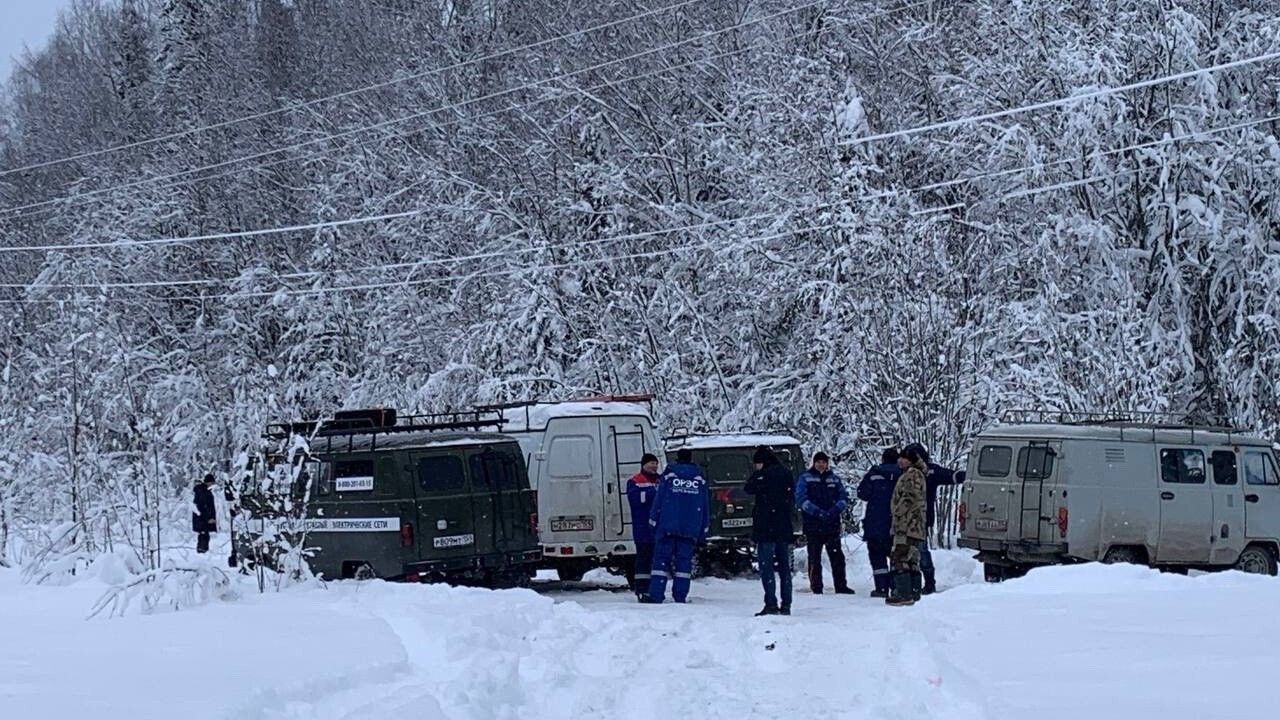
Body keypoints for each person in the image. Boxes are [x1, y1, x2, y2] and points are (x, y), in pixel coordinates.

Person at [644, 448, 709, 604]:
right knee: (684, 563)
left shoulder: (669, 476)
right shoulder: (700, 478)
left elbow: (659, 500)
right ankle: (680, 595)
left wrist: (653, 520)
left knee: (660, 561)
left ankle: (656, 594)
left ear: (677, 459)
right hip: (690, 527)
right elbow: (705, 504)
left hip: (667, 525)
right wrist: (703, 528)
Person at [903, 442, 964, 595]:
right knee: (913, 551)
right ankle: (916, 582)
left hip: (918, 518)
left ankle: (925, 582)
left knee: (918, 550)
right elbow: (951, 476)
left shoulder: (928, 472)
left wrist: (961, 475)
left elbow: (951, 476)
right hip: (911, 517)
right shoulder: (907, 472)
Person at [745, 446, 796, 616]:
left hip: (765, 527)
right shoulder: (786, 473)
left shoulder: (761, 476)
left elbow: (748, 488)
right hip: (783, 526)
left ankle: (771, 603)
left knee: (767, 567)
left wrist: (758, 474)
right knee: (784, 568)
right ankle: (786, 604)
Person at [795, 451, 853, 595]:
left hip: (832, 524)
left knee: (837, 557)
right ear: (814, 463)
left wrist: (835, 510)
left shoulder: (834, 479)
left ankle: (841, 586)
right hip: (813, 524)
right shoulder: (805, 478)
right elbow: (801, 499)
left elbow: (844, 498)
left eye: (824, 462)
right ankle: (816, 586)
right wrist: (816, 512)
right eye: (819, 462)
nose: (821, 464)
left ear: (827, 464)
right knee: (814, 556)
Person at [857, 447, 901, 598]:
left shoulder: (874, 473)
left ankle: (881, 588)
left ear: (882, 459)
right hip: (896, 523)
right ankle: (897, 586)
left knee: (877, 557)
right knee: (897, 557)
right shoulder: (903, 473)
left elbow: (862, 493)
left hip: (875, 522)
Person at [888, 445, 928, 606]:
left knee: (900, 557)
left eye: (903, 458)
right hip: (913, 525)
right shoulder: (915, 474)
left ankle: (904, 593)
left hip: (907, 525)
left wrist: (898, 513)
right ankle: (914, 592)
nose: (899, 460)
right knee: (911, 558)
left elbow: (910, 497)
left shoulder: (912, 475)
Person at [626, 453, 662, 601]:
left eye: (655, 463)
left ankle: (654, 588)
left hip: (659, 527)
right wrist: (653, 493)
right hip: (642, 526)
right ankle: (641, 588)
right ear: (643, 465)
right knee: (643, 558)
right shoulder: (635, 481)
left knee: (656, 559)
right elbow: (636, 500)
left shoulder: (662, 480)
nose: (654, 466)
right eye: (651, 463)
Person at [193, 473, 217, 554]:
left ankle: (202, 551)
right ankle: (202, 551)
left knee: (203, 535)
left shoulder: (203, 491)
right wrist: (209, 518)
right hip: (203, 520)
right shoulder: (203, 492)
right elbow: (205, 507)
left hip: (202, 519)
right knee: (203, 535)